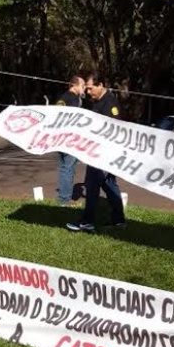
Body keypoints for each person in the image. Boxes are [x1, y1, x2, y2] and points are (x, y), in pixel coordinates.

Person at [66, 73, 126, 232]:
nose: (88, 91)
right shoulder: (98, 102)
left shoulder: (110, 105)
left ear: (101, 85)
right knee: (110, 186)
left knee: (92, 187)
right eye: (86, 88)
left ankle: (87, 222)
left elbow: (114, 129)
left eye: (90, 88)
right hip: (98, 152)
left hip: (103, 154)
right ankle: (118, 220)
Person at [54, 76, 85, 205]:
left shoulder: (63, 97)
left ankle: (63, 196)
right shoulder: (73, 99)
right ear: (74, 85)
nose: (84, 88)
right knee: (68, 168)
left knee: (64, 167)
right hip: (69, 139)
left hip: (59, 137)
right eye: (82, 85)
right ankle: (64, 200)